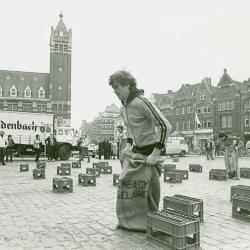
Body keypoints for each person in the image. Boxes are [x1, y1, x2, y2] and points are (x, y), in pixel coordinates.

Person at [109, 70, 172, 231]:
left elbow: (165, 125)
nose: (115, 91)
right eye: (113, 88)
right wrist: (129, 145)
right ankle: (131, 220)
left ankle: (149, 221)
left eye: (117, 87)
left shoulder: (141, 102)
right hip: (137, 151)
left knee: (149, 190)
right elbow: (131, 130)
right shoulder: (124, 108)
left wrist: (156, 152)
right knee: (128, 183)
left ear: (128, 85)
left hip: (152, 151)